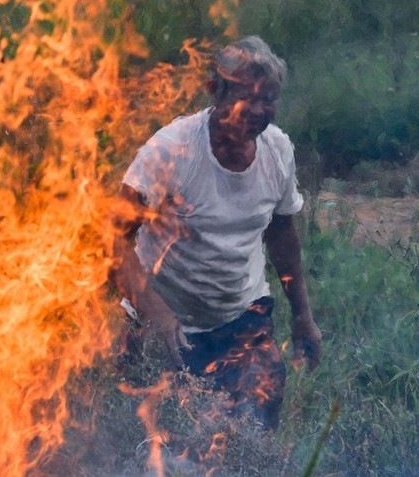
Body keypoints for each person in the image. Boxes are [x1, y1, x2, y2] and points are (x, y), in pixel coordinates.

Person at [111, 36, 322, 430]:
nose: (258, 111)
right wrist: (155, 315)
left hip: (242, 314)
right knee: (166, 436)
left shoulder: (277, 151)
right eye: (247, 97)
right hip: (164, 318)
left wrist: (302, 316)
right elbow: (114, 241)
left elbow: (282, 237)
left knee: (262, 408)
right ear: (215, 91)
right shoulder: (171, 151)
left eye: (269, 99)